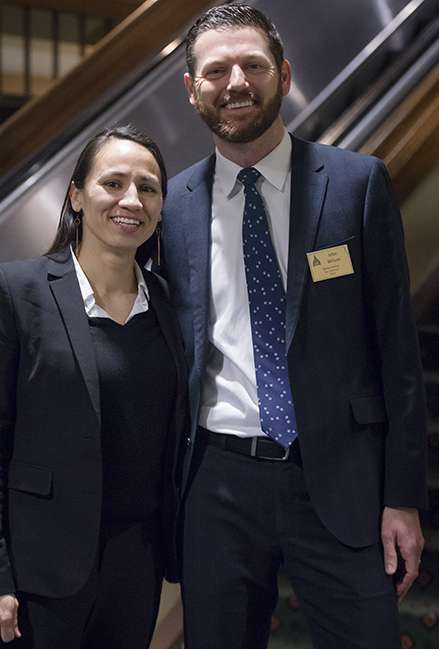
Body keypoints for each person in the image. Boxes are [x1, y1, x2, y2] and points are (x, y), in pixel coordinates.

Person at [159, 5, 428, 648]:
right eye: (216, 69)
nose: (236, 82)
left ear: (282, 73)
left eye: (252, 64)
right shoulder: (169, 207)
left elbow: (397, 350)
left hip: (338, 477)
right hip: (216, 487)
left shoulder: (358, 183)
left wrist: (404, 496)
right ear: (192, 89)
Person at [0, 124, 188, 649]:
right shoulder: (15, 291)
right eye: (114, 183)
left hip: (137, 563)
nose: (132, 199)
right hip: (38, 571)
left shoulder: (173, 304)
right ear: (77, 195)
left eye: (148, 188)